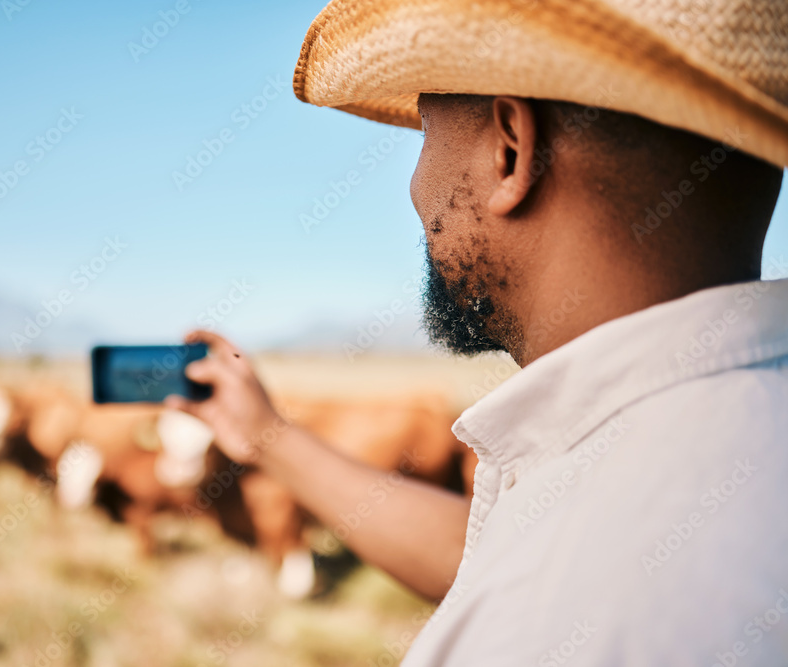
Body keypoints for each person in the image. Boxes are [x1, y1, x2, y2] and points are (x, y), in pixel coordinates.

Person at [168, 0, 788, 663]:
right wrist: (268, 435)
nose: (416, 187)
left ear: (509, 149)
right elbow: (493, 555)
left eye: (426, 134)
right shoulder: (711, 465)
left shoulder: (552, 628)